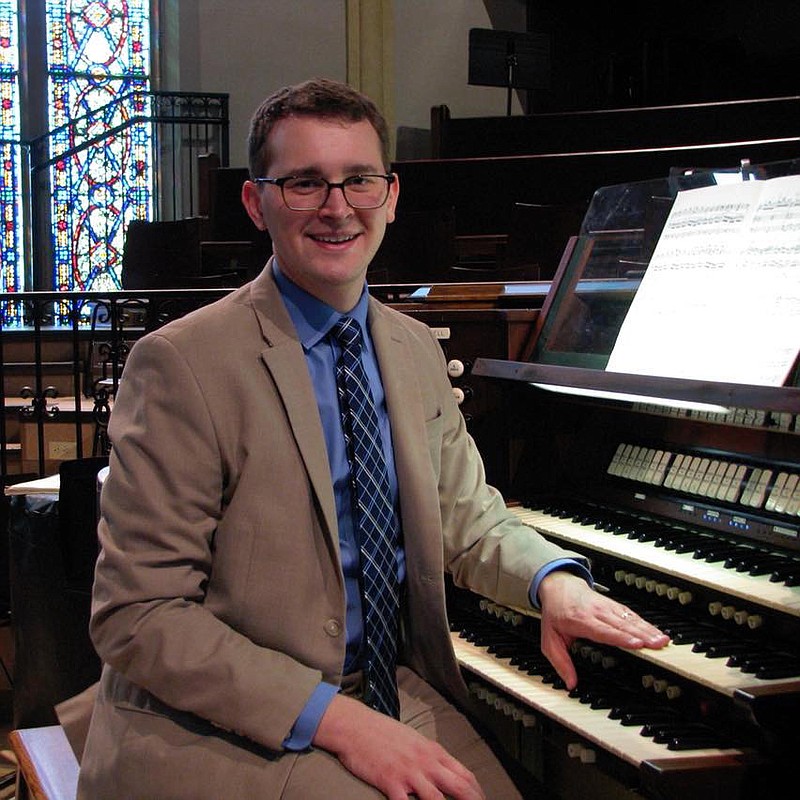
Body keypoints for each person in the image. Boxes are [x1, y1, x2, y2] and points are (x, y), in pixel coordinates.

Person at [76, 77, 669, 799]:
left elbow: (470, 521)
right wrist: (340, 722)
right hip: (219, 720)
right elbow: (139, 616)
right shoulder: (182, 364)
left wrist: (553, 584)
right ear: (255, 202)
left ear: (390, 195)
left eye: (358, 180)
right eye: (304, 184)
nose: (337, 208)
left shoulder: (414, 349)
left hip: (384, 689)